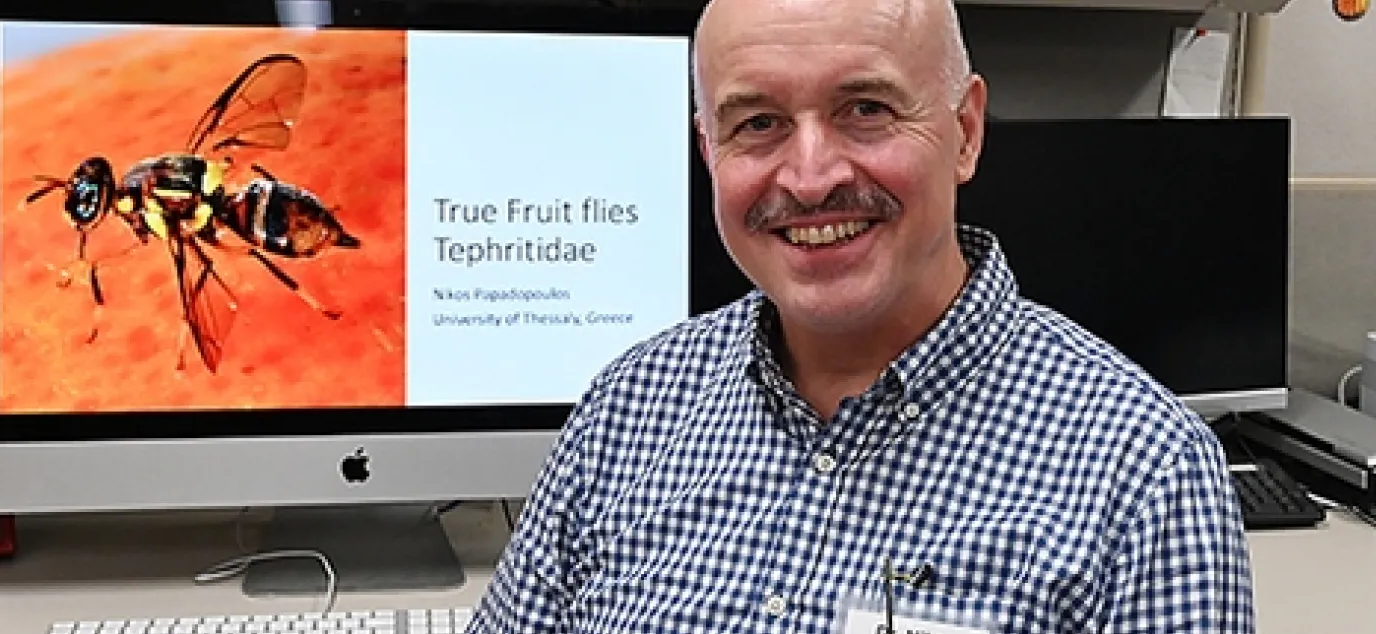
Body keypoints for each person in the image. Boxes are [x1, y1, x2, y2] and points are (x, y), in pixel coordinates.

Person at [466, 0, 1255, 632]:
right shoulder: (630, 409)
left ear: (965, 132)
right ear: (710, 152)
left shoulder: (1143, 474)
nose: (809, 179)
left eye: (866, 109)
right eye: (758, 124)